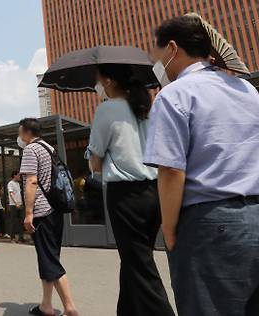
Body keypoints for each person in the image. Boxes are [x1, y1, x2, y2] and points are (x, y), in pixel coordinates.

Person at [144, 15, 259, 316]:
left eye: (157, 55)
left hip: (211, 223)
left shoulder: (173, 95)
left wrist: (170, 232)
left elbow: (171, 170)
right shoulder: (247, 90)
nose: (157, 64)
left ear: (172, 48)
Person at [86, 64, 175, 315]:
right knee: (134, 259)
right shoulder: (146, 107)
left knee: (139, 264)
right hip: (154, 191)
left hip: (125, 196)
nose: (98, 86)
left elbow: (95, 161)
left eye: (99, 80)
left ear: (110, 81)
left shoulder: (107, 109)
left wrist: (97, 159)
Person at [18, 118, 79, 316]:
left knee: (50, 260)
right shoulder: (48, 148)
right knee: (48, 258)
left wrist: (28, 213)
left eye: (20, 132)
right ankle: (46, 306)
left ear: (27, 132)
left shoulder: (30, 150)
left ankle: (70, 308)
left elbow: (32, 182)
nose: (19, 136)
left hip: (42, 213)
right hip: (55, 210)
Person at [6, 170, 25, 243]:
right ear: (14, 175)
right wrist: (15, 202)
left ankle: (21, 238)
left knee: (21, 221)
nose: (19, 177)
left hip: (20, 204)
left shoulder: (18, 184)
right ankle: (12, 238)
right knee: (13, 221)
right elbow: (11, 193)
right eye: (18, 175)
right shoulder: (10, 183)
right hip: (13, 205)